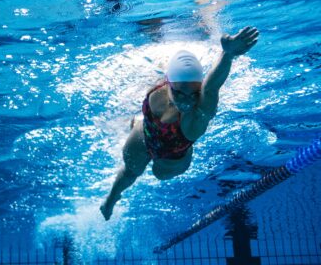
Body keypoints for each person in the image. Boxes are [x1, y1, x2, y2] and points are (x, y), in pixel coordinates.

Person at [100, 26, 259, 221]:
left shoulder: (199, 113)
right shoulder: (158, 87)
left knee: (159, 173)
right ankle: (110, 200)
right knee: (131, 170)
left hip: (173, 155)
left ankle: (139, 127)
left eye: (193, 94)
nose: (186, 101)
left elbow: (211, 87)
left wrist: (227, 55)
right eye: (179, 93)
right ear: (168, 83)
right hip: (146, 135)